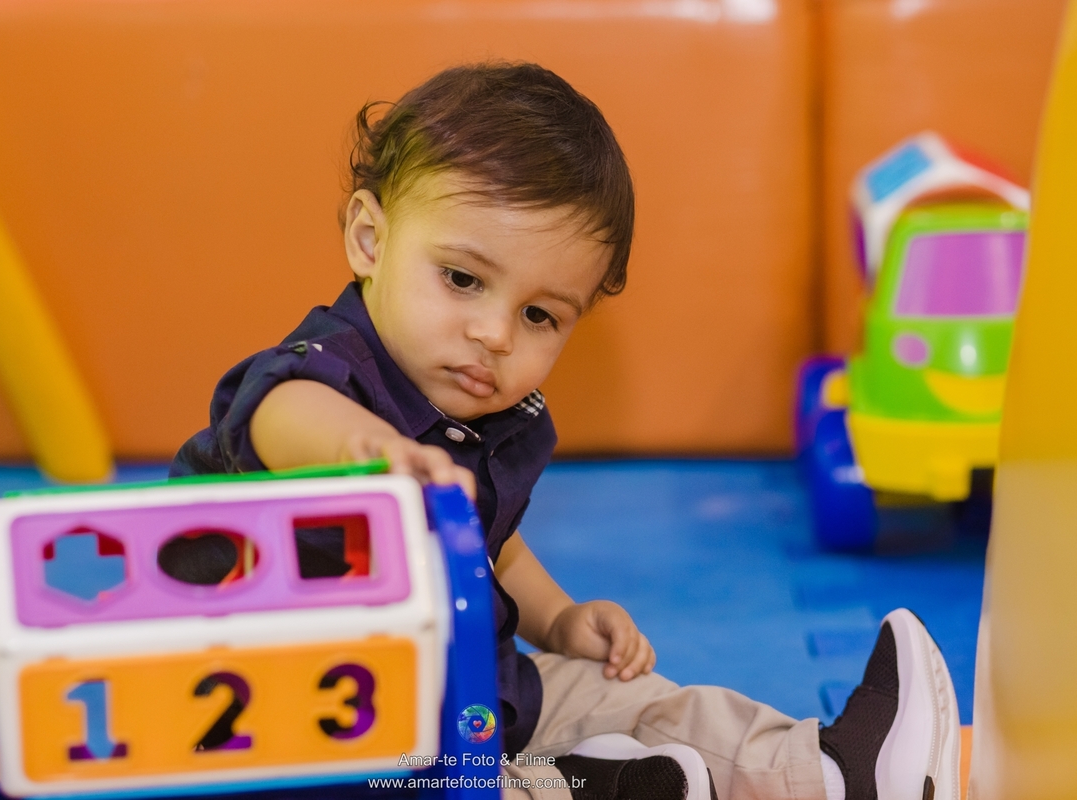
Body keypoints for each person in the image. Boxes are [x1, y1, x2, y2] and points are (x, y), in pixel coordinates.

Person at [171, 62, 961, 800]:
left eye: (539, 315)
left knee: (638, 696)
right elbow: (280, 416)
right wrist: (366, 454)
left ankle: (830, 771)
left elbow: (494, 543)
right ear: (370, 240)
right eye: (462, 279)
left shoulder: (498, 420)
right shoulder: (329, 374)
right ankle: (599, 783)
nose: (495, 334)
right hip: (319, 733)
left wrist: (558, 619)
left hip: (480, 691)